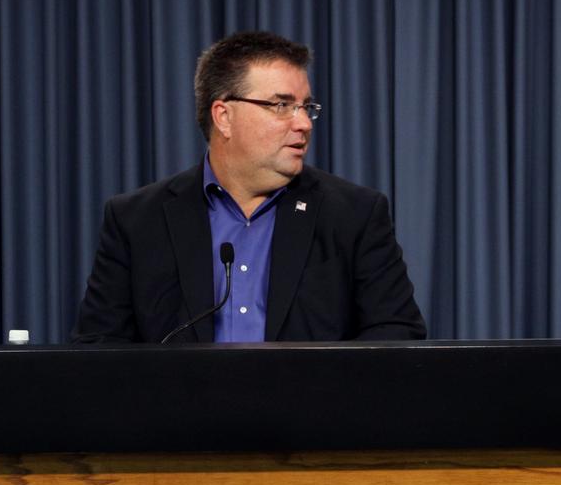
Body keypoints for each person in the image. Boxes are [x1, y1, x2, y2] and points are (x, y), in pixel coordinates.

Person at [72, 31, 426, 343]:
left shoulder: (354, 215)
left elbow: (396, 337)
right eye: (282, 105)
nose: (303, 123)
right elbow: (99, 348)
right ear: (223, 116)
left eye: (306, 107)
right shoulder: (136, 220)